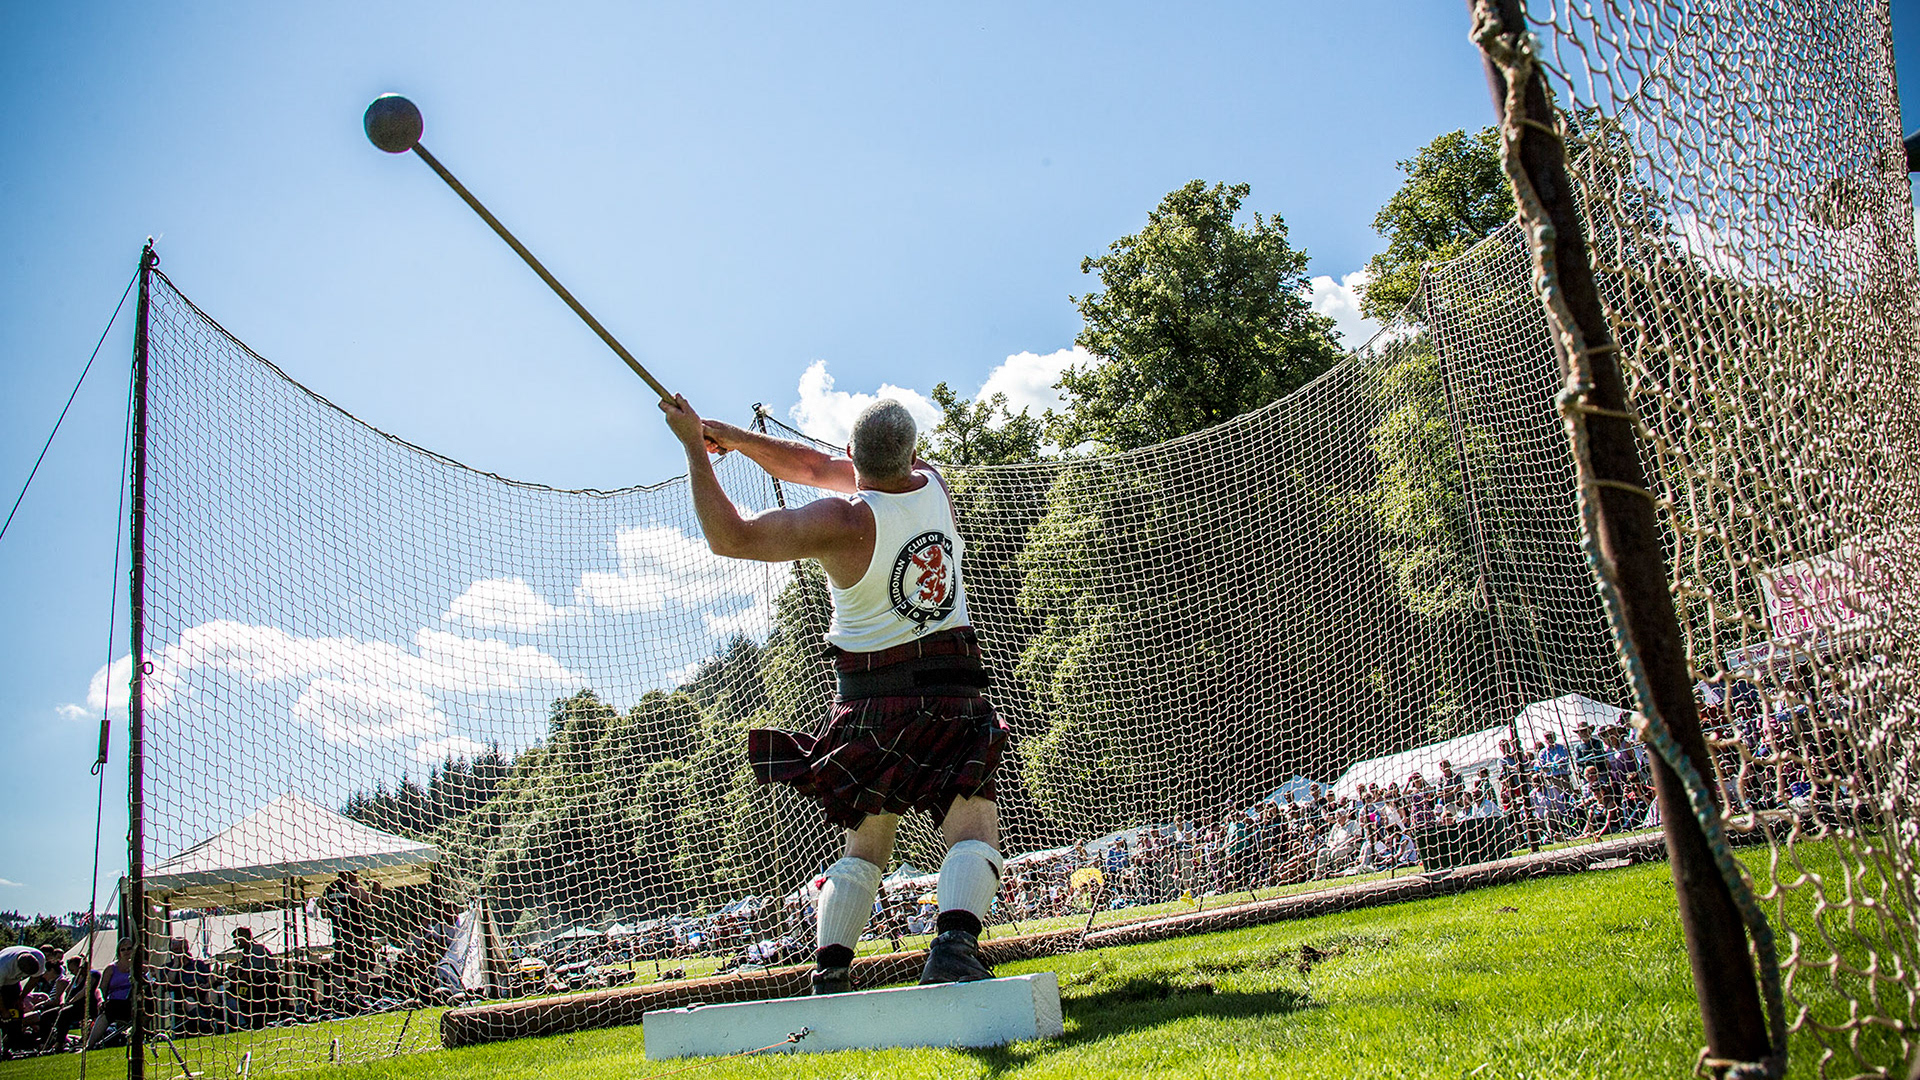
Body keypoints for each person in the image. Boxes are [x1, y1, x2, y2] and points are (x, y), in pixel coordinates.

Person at [662, 396, 1010, 995]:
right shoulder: (934, 484)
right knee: (972, 822)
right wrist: (733, 438)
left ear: (852, 454)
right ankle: (953, 952)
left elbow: (731, 537)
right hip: (952, 688)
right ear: (913, 453)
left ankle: (831, 972)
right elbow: (813, 466)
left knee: (866, 843)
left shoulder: (843, 522)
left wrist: (696, 447)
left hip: (871, 701)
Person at [0, 945, 45, 1056]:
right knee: (5, 1018)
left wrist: (21, 997)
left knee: (17, 1014)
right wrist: (4, 1011)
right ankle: (4, 1048)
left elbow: (35, 979)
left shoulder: (39, 957)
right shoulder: (3, 967)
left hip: (13, 985)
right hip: (3, 986)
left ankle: (15, 1045)